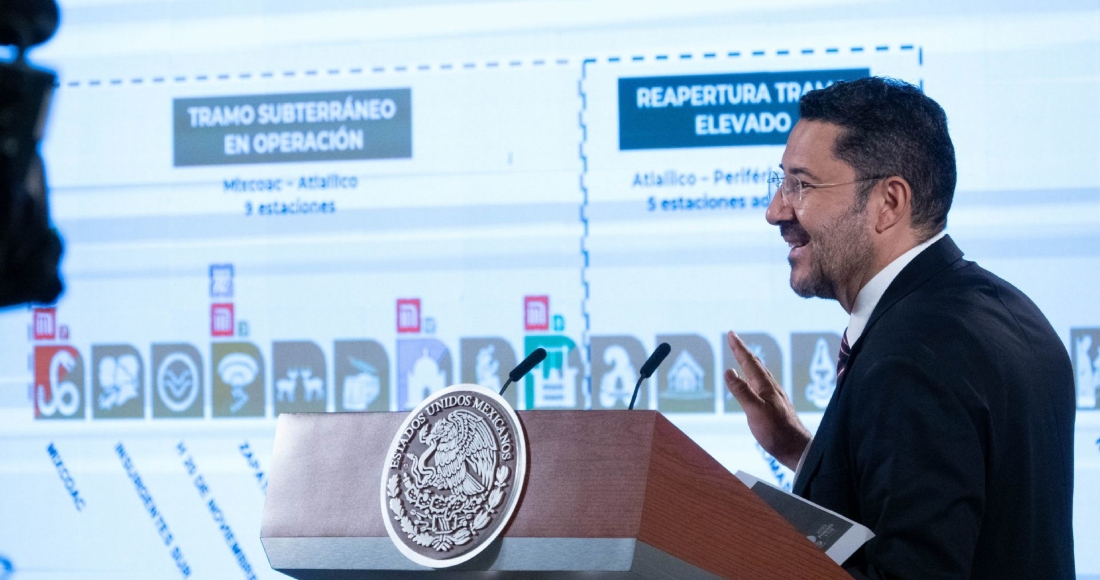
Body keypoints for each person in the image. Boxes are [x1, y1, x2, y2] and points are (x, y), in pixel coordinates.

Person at [724, 77, 1075, 579]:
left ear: (888, 203)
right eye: (780, 182)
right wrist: (803, 453)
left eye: (801, 185)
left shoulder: (910, 359)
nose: (775, 210)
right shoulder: (1009, 311)